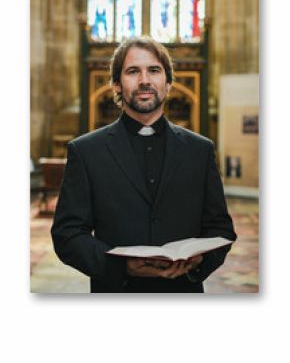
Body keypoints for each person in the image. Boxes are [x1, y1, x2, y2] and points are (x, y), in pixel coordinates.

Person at [51, 36, 237, 293]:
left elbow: (220, 228)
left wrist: (198, 263)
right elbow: (67, 234)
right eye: (132, 71)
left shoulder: (200, 150)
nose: (144, 80)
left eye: (154, 70)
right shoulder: (86, 151)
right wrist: (121, 267)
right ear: (116, 84)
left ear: (168, 83)